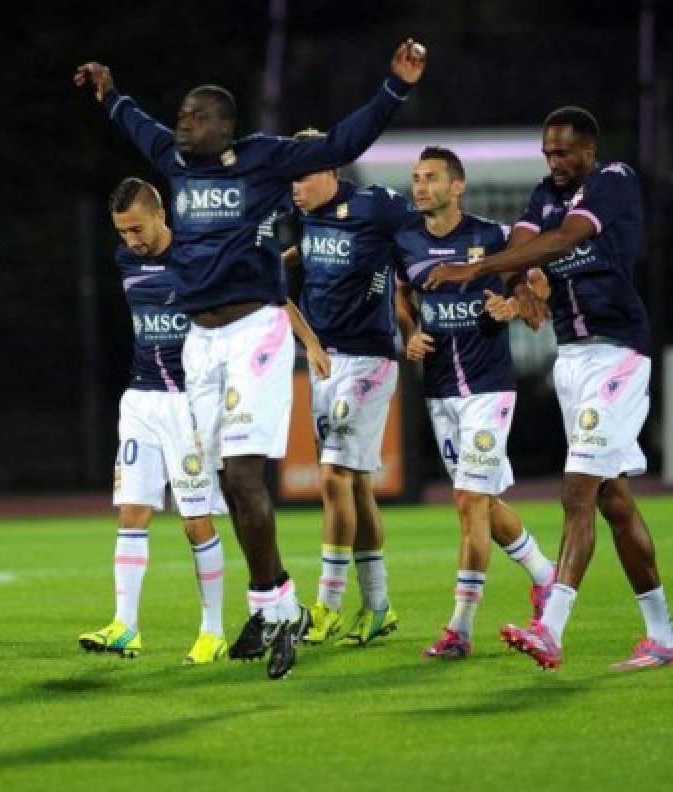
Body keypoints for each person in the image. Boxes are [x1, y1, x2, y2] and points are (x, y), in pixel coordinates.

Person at [74, 39, 426, 680]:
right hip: (201, 346)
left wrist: (394, 89)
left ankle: (273, 604)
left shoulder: (264, 159)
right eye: (181, 115)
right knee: (226, 486)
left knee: (240, 477)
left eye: (196, 115)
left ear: (224, 124)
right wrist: (110, 94)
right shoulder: (175, 161)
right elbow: (136, 125)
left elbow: (342, 142)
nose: (183, 123)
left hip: (253, 331)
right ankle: (278, 604)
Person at [424, 107, 673, 671]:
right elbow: (525, 245)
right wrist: (521, 285)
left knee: (578, 491)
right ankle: (663, 638)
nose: (555, 162)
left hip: (616, 352)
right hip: (572, 357)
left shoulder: (614, 180)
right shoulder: (545, 194)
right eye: (548, 152)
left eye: (564, 152)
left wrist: (479, 270)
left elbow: (560, 241)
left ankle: (551, 627)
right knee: (614, 500)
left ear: (589, 149)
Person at [392, 147, 555, 659]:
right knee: (481, 500)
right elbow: (401, 293)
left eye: (431, 178)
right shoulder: (407, 241)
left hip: (488, 387)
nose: (419, 187)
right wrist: (410, 330)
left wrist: (514, 304)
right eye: (416, 178)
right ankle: (545, 575)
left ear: (457, 187)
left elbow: (536, 288)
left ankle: (459, 629)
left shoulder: (492, 237)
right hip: (441, 390)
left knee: (467, 500)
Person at [78, 177, 229, 665]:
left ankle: (213, 630)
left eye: (137, 229)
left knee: (195, 520)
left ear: (161, 216)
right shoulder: (125, 261)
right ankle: (126, 626)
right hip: (140, 400)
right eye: (122, 233)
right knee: (132, 510)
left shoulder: (198, 257)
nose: (131, 241)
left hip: (189, 404)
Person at [278, 129, 410, 650]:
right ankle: (378, 607)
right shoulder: (304, 219)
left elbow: (422, 238)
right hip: (326, 361)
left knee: (331, 476)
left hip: (370, 360)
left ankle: (327, 605)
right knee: (354, 485)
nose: (294, 186)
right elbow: (300, 259)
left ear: (331, 169)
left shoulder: (377, 207)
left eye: (302, 175)